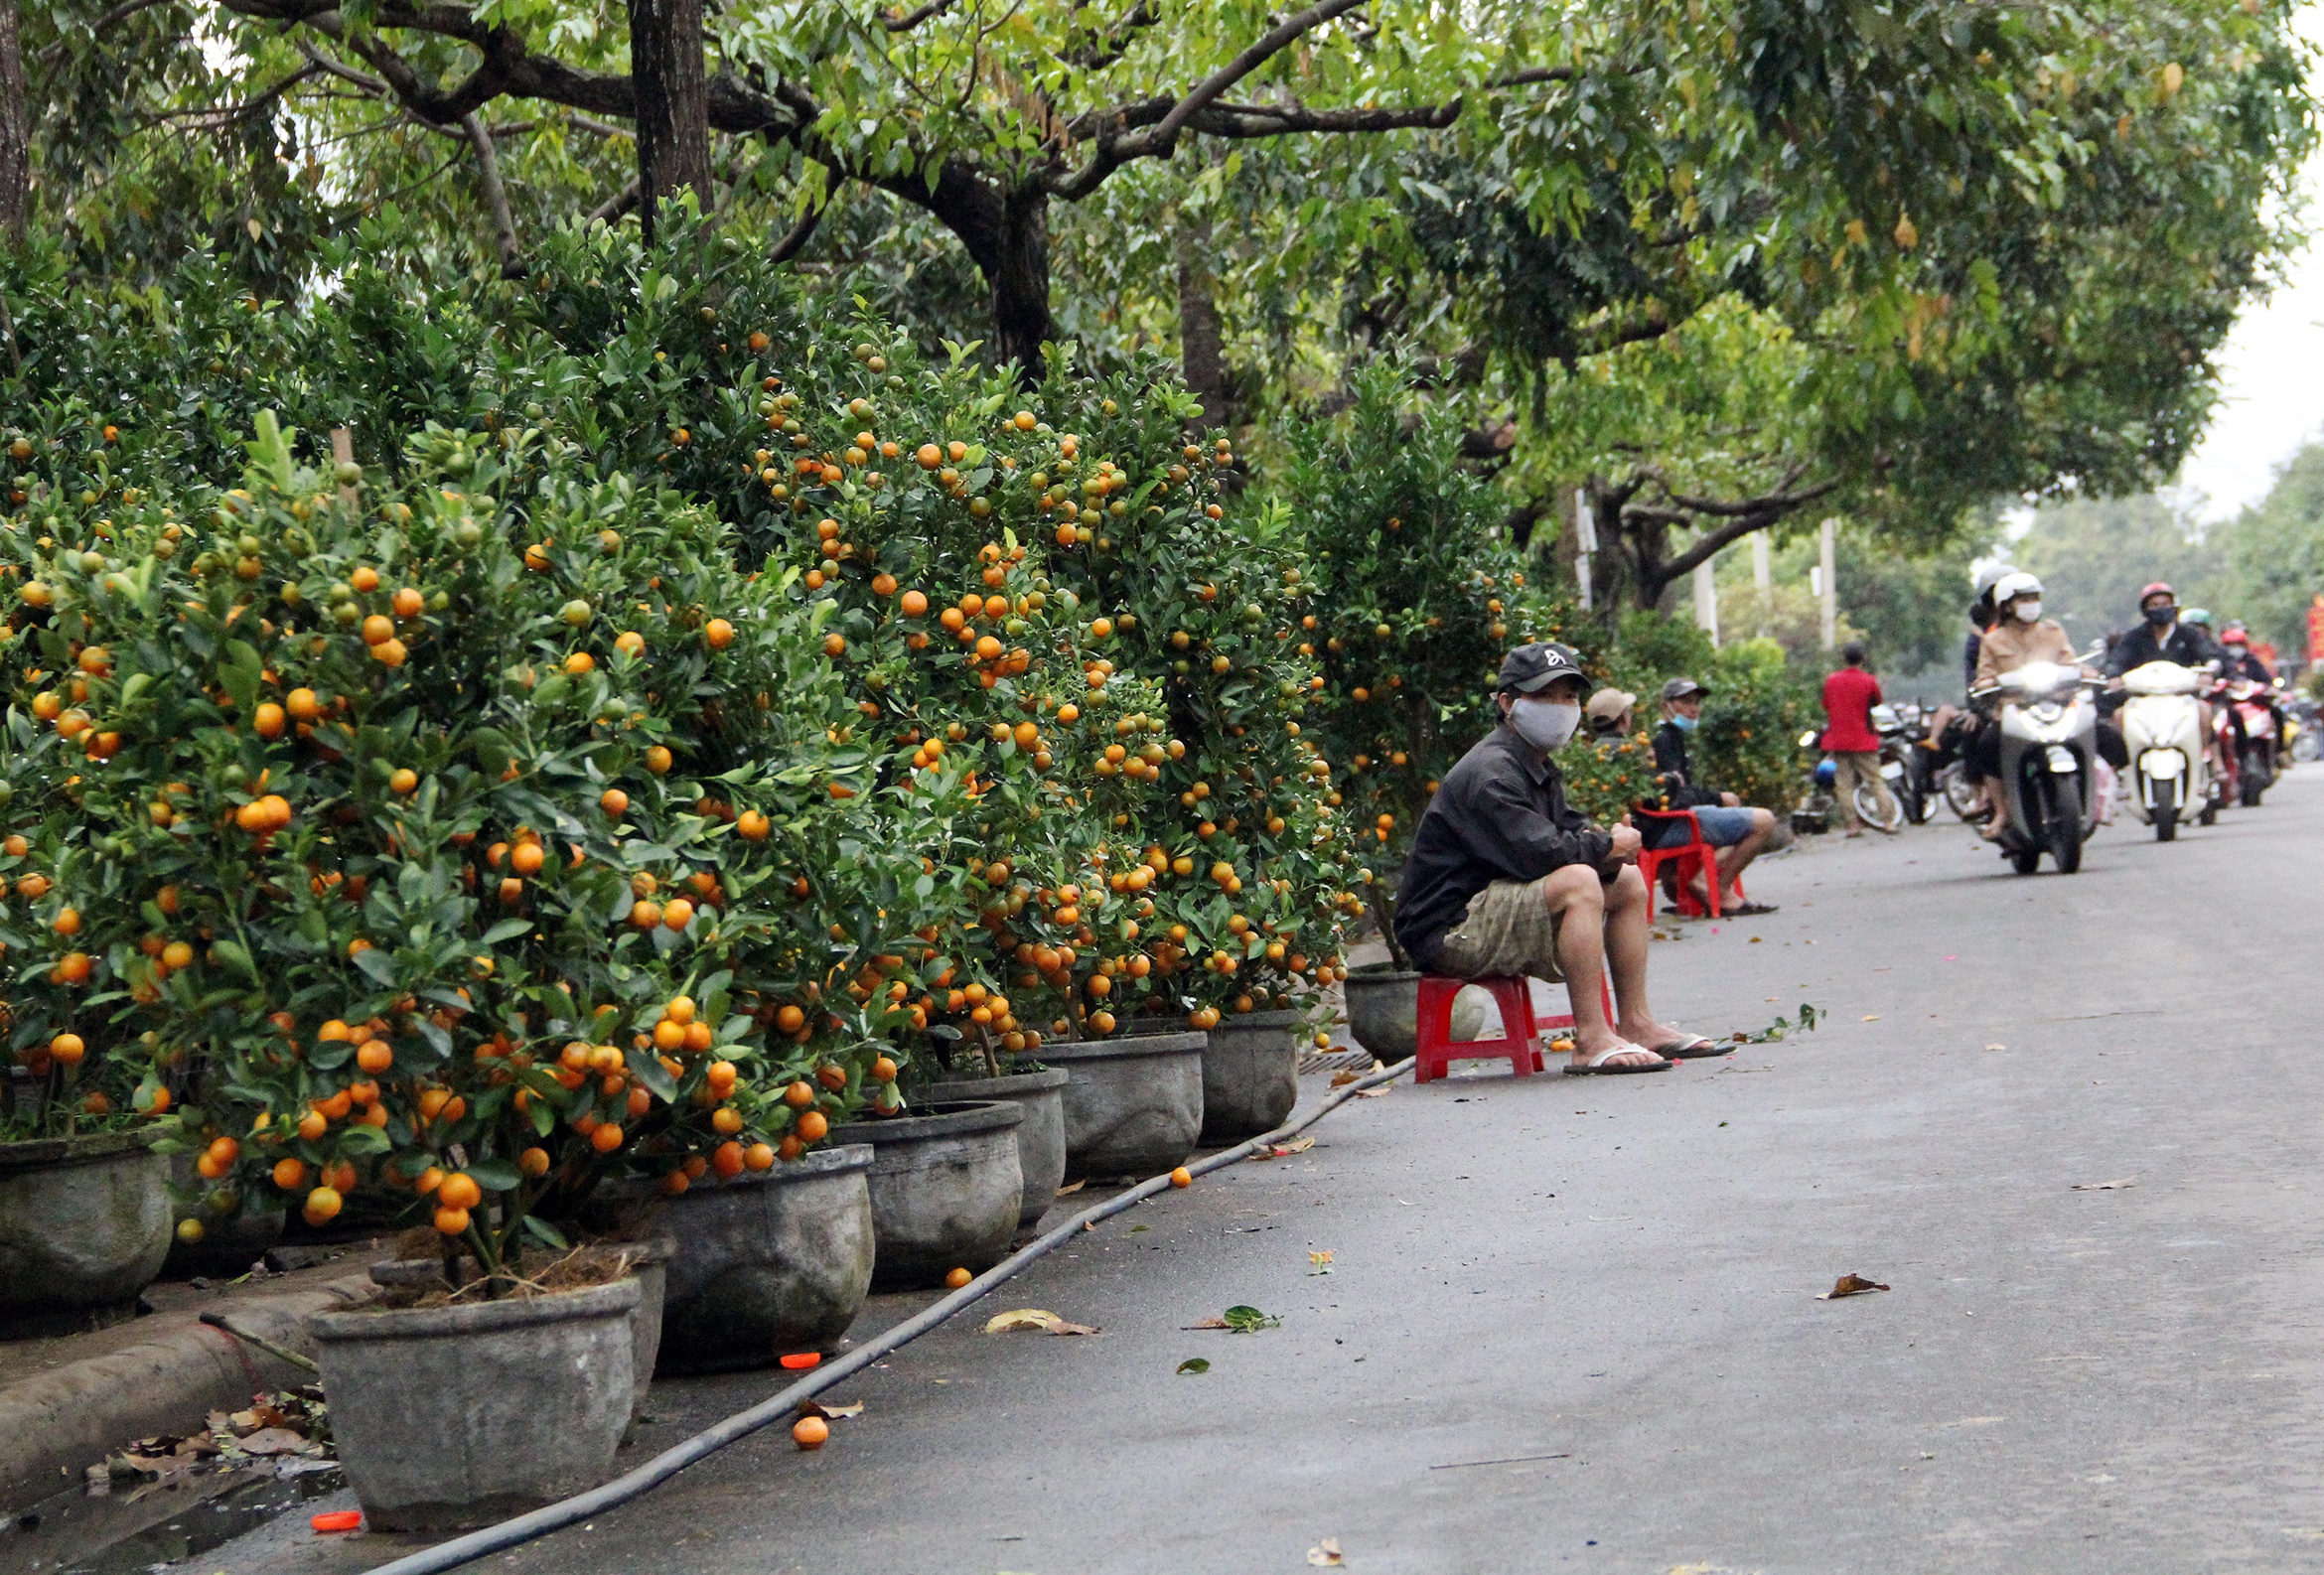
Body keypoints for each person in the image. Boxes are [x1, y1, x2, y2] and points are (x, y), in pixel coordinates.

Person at [1391, 643, 1724, 1074]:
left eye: (1569, 696)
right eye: (1545, 695)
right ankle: (1591, 1038)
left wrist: (1607, 844)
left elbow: (1566, 830)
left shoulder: (1533, 762)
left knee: (1626, 882)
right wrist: (1605, 848)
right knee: (1580, 882)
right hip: (1449, 928)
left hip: (1490, 900)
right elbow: (1538, 855)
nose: (1561, 706)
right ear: (1508, 703)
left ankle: (1637, 1023)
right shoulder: (1492, 771)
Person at [1643, 677, 1778, 913]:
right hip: (1669, 824)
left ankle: (1689, 885)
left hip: (1665, 822)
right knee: (1764, 821)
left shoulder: (1670, 735)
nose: (1693, 708)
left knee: (1727, 814)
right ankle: (1715, 888)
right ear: (1666, 705)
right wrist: (1717, 797)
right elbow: (1674, 796)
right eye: (1685, 701)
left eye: (1696, 701)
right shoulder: (1663, 739)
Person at [1966, 571, 2083, 836]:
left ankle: (2094, 794)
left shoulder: (2053, 632)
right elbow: (1983, 676)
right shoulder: (1993, 640)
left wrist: (2084, 673)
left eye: (2034, 598)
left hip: (2056, 705)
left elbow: (2069, 662)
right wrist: (1984, 685)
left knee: (2099, 732)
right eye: (2023, 599)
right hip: (2015, 710)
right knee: (1987, 746)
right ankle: (2001, 811)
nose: (2030, 604)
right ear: (2006, 605)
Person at [2104, 582, 2220, 776]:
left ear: (2174, 607)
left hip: (2183, 699)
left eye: (2165, 604)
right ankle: (2127, 769)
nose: (2160, 609)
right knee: (2119, 716)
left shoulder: (2189, 634)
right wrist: (2114, 675)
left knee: (2204, 712)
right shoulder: (2134, 637)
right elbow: (2117, 659)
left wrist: (2209, 672)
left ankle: (2199, 762)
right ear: (2145, 609)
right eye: (2154, 605)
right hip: (2143, 701)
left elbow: (2208, 654)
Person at [1820, 642, 1900, 837]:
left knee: (1844, 783)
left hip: (1839, 739)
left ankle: (1852, 826)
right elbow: (1877, 701)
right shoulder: (1868, 681)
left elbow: (1826, 704)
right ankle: (1888, 822)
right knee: (1875, 781)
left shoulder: (1832, 680)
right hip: (1864, 738)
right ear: (1863, 658)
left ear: (1843, 658)